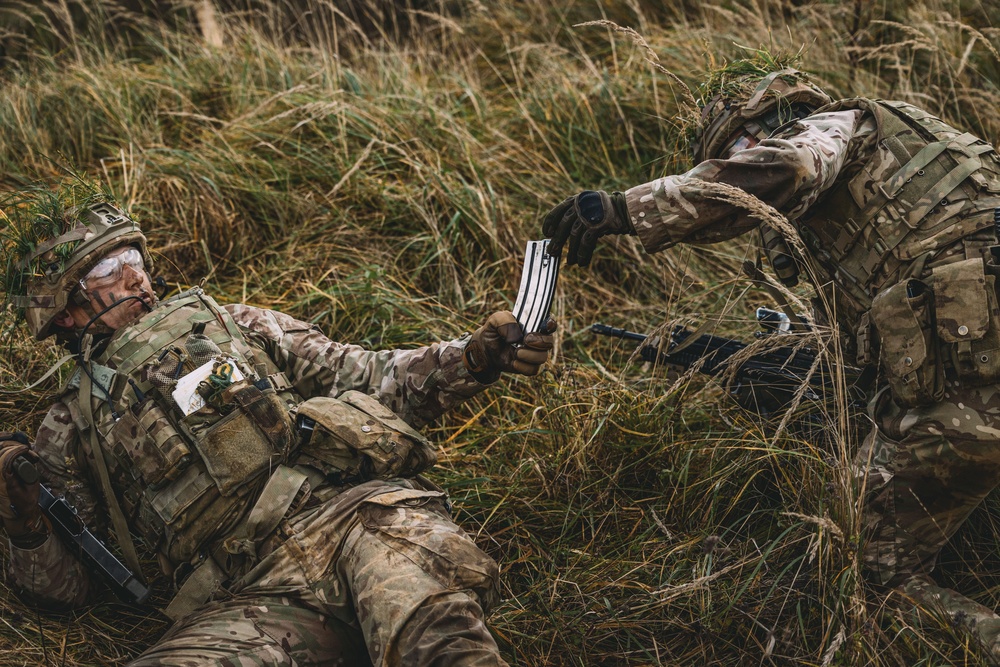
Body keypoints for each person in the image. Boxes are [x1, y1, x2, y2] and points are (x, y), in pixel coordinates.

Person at [541, 55, 1000, 653]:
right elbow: (869, 337)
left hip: (973, 384)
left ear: (762, 126)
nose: (736, 162)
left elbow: (789, 164)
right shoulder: (919, 150)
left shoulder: (833, 130)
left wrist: (628, 209)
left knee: (864, 574)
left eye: (735, 150)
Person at [0, 192, 556, 666]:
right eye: (106, 271)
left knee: (435, 635)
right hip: (248, 597)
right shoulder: (69, 426)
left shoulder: (233, 324)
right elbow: (72, 588)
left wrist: (471, 359)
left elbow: (364, 373)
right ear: (65, 312)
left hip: (358, 522)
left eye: (133, 257)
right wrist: (23, 518)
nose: (135, 276)